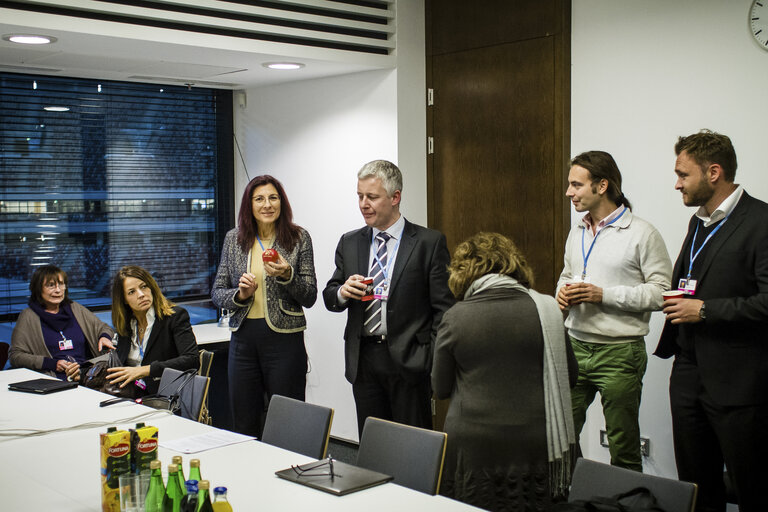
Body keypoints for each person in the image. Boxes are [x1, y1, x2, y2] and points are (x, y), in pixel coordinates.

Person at [656, 130, 768, 512]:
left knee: (751, 484)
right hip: (688, 372)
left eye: (683, 175)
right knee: (696, 486)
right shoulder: (699, 221)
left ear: (714, 172)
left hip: (739, 381)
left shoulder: (762, 222)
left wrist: (704, 310)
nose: (677, 184)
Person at [433, 232, 576, 511]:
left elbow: (440, 387)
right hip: (538, 444)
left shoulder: (455, 317)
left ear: (463, 273)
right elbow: (570, 376)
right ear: (514, 265)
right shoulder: (547, 309)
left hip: (474, 449)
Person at [555, 151, 671, 472]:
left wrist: (603, 295)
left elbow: (662, 293)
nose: (569, 192)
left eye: (576, 185)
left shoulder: (642, 234)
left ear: (602, 185)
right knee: (559, 438)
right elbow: (566, 275)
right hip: (575, 347)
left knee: (623, 448)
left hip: (620, 353)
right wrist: (561, 296)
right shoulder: (577, 231)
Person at [323, 159, 454, 436]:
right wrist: (343, 293)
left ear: (395, 197)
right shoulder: (351, 241)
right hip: (364, 359)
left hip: (410, 360)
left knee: (412, 445)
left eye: (372, 196)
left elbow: (444, 310)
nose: (363, 204)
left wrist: (428, 357)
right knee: (373, 442)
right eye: (359, 196)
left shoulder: (428, 243)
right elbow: (330, 295)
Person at [212, 175, 317, 438]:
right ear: (249, 205)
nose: (267, 204)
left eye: (273, 198)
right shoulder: (234, 239)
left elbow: (310, 295)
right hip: (244, 341)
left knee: (288, 420)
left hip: (285, 341)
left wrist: (287, 275)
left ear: (282, 202)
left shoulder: (298, 237)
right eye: (259, 199)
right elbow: (216, 293)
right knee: (244, 421)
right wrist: (241, 295)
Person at [10, 264, 114, 381]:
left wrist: (104, 337)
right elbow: (16, 356)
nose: (58, 290)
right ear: (38, 289)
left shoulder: (75, 308)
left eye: (61, 284)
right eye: (51, 285)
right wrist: (52, 364)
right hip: (53, 379)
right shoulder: (29, 316)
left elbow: (104, 328)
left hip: (86, 377)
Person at [109, 265, 199, 396]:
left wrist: (145, 370)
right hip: (131, 395)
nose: (141, 295)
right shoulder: (126, 325)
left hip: (166, 395)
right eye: (131, 292)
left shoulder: (174, 317)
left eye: (144, 286)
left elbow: (192, 360)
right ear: (124, 300)